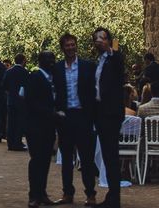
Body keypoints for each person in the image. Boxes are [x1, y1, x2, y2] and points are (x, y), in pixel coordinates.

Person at [52, 33, 97, 206]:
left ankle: (90, 194)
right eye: (67, 45)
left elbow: (94, 93)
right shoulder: (57, 69)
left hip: (83, 116)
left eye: (73, 44)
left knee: (86, 159)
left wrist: (92, 116)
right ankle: (67, 193)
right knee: (66, 159)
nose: (70, 48)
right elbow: (54, 93)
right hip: (65, 118)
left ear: (76, 45)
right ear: (62, 48)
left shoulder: (87, 67)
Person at [93, 27, 124, 208]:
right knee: (107, 155)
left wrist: (111, 50)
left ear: (109, 41)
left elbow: (118, 67)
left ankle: (115, 198)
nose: (99, 41)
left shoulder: (114, 58)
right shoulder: (100, 61)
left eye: (103, 38)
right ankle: (113, 196)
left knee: (111, 155)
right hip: (101, 113)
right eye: (97, 38)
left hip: (110, 114)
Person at [25, 51, 58, 208]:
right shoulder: (35, 77)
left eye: (53, 58)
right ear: (40, 61)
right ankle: (33, 195)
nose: (52, 61)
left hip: (49, 126)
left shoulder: (53, 78)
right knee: (36, 160)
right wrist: (50, 112)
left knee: (45, 160)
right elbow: (30, 101)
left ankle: (42, 193)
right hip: (35, 126)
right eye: (48, 59)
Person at [3, 53, 29, 151]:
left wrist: (9, 93)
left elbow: (3, 85)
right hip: (21, 101)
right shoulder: (24, 72)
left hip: (10, 101)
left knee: (11, 122)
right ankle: (17, 143)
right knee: (19, 122)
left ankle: (10, 143)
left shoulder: (9, 71)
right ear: (23, 60)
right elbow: (27, 86)